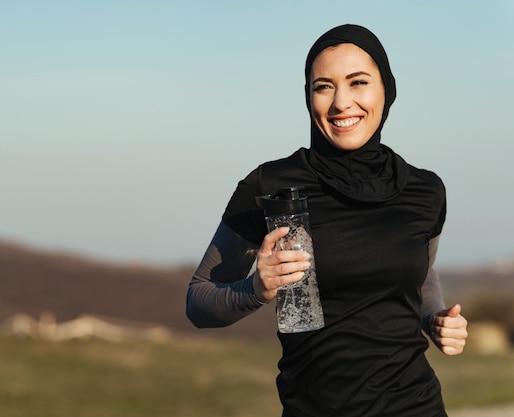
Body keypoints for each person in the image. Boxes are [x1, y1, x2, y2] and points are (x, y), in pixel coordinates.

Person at [186, 24, 468, 417]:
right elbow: (198, 301)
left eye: (358, 83)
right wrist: (256, 287)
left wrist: (434, 318)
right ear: (308, 97)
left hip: (415, 406)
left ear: (386, 89)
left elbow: (423, 273)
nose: (341, 103)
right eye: (324, 86)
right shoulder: (271, 185)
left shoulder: (425, 190)